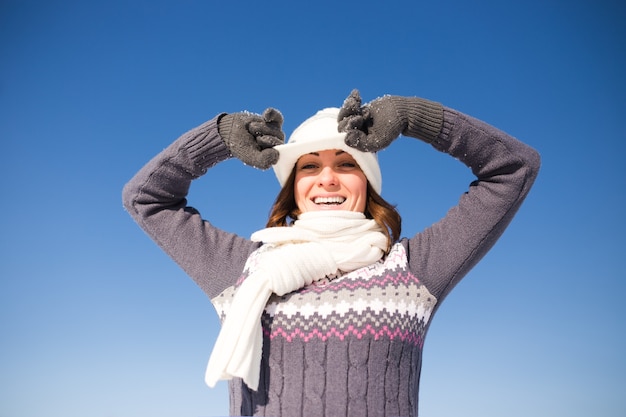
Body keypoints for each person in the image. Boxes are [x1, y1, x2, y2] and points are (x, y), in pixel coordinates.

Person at [122, 89, 540, 417]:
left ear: (367, 183)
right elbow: (146, 198)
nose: (328, 180)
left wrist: (416, 117)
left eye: (346, 164)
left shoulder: (412, 270)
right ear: (293, 187)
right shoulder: (243, 268)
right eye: (308, 166)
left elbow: (513, 167)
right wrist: (217, 139)